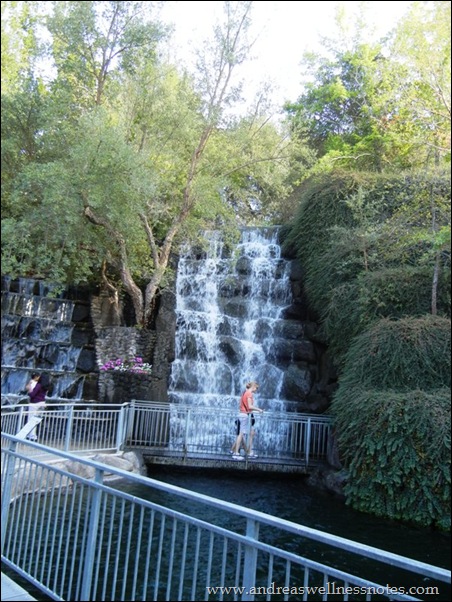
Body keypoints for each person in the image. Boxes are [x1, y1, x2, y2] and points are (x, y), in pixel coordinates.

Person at [231, 382, 263, 460]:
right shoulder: (249, 394)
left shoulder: (244, 393)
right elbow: (249, 406)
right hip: (245, 415)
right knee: (241, 434)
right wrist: (259, 410)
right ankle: (236, 453)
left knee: (251, 432)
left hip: (243, 414)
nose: (256, 390)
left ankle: (248, 452)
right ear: (253, 387)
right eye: (256, 388)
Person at [27, 373, 48, 441]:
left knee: (31, 420)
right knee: (36, 420)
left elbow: (32, 394)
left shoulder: (39, 385)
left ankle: (32, 436)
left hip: (35, 403)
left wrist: (29, 391)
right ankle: (33, 435)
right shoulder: (46, 386)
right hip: (42, 403)